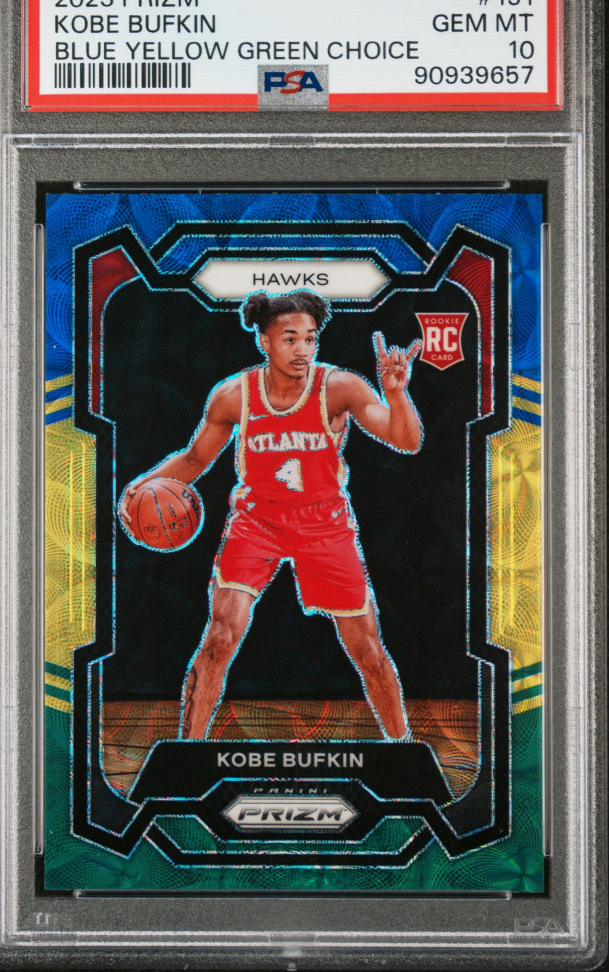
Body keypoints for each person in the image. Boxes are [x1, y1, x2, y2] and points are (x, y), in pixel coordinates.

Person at [120, 290, 423, 741]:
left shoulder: (339, 387)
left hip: (324, 523)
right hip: (257, 522)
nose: (302, 349)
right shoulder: (233, 395)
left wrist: (396, 396)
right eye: (290, 338)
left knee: (368, 650)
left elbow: (406, 440)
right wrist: (140, 486)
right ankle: (187, 752)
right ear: (264, 341)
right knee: (220, 636)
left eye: (310, 338)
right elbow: (194, 459)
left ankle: (403, 748)